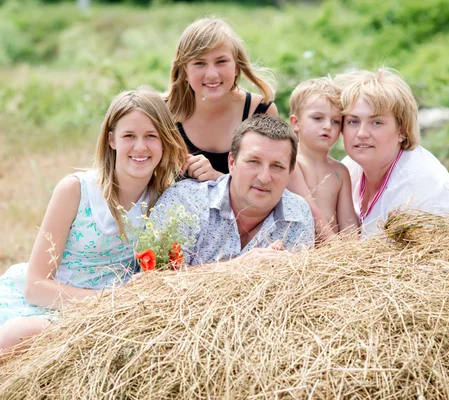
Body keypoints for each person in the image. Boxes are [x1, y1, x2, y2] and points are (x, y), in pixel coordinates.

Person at [0, 89, 187, 397]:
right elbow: (35, 285)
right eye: (129, 135)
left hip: (88, 317)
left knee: (14, 337)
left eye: (151, 136)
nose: (140, 146)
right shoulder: (76, 190)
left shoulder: (167, 200)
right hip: (41, 297)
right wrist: (106, 302)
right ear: (111, 140)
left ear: (165, 140)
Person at [151, 114, 314, 266]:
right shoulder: (184, 202)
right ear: (232, 163)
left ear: (290, 171)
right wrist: (239, 265)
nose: (264, 178)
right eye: (253, 161)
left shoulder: (298, 216)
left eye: (277, 166)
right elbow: (155, 282)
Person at [335, 67, 449, 236]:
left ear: (402, 130)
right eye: (353, 121)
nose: (362, 133)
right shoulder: (351, 166)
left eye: (377, 122)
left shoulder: (418, 185)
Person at [165, 17, 278, 182]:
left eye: (221, 61)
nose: (211, 74)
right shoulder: (164, 113)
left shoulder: (261, 112)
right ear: (185, 71)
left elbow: (271, 181)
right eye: (199, 63)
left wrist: (219, 179)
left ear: (236, 67)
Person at [286, 78, 358, 241]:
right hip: (301, 250)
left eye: (335, 121)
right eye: (318, 118)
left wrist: (353, 250)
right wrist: (334, 247)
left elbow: (348, 220)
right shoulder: (291, 163)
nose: (327, 126)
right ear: (296, 123)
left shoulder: (340, 171)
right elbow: (309, 212)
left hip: (333, 253)